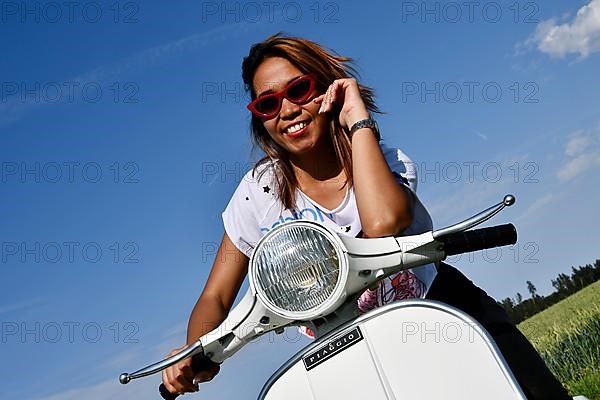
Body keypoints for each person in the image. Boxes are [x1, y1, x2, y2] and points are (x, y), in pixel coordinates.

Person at [161, 32, 572, 399]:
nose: (286, 109)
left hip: (432, 308)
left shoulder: (384, 160)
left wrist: (358, 120)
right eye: (268, 103)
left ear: (328, 89)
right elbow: (216, 295)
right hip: (341, 345)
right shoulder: (258, 193)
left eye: (300, 89)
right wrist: (197, 351)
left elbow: (383, 225)